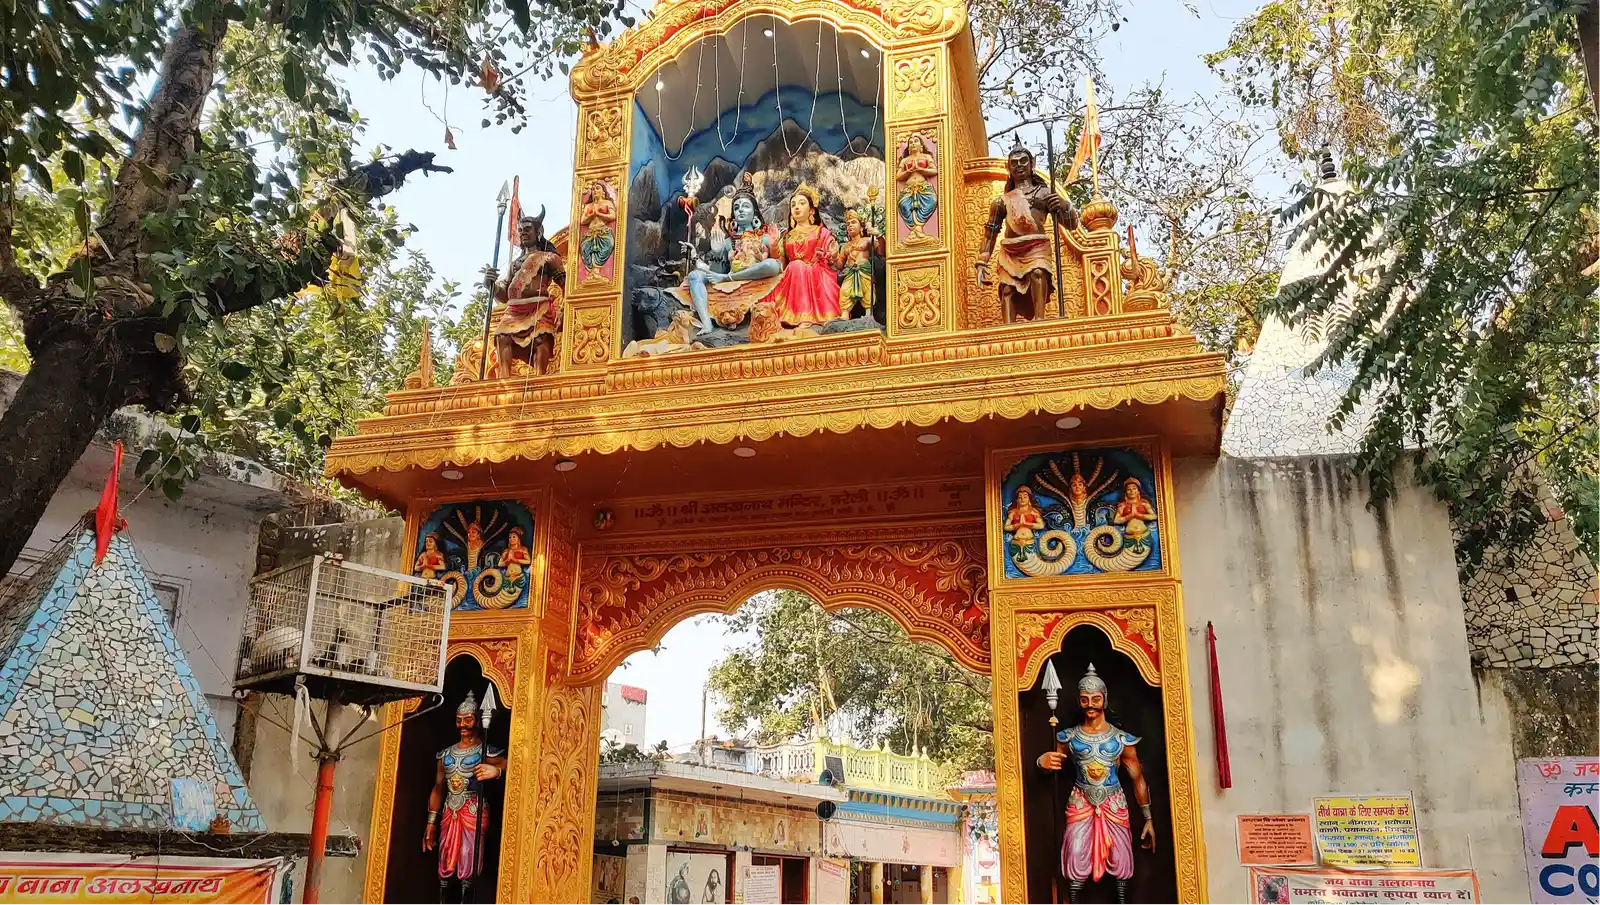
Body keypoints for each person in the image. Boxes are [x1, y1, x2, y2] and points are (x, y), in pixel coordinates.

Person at [1036, 664, 1154, 905]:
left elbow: (1138, 779)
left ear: (1104, 699)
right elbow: (1051, 763)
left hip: (1113, 802)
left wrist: (1148, 818)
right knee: (1075, 853)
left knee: (1121, 858)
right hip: (1081, 801)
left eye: (1096, 699)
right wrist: (1042, 762)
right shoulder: (1069, 737)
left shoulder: (1120, 739)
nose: (1090, 704)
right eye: (1084, 699)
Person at [975, 138, 1080, 322]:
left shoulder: (1045, 193)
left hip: (1037, 246)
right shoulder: (1001, 201)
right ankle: (1009, 328)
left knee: (1038, 274)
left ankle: (1039, 320)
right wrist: (982, 262)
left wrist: (1065, 206)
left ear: (1032, 164)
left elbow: (1071, 225)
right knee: (1007, 289)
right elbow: (990, 234)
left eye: (1023, 161)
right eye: (1014, 163)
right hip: (1010, 250)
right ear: (1009, 168)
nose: (1019, 166)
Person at [425, 692, 507, 905]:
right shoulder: (445, 755)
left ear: (478, 721)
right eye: (459, 720)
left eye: (468, 719)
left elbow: (510, 765)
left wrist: (494, 771)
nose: (463, 725)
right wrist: (431, 822)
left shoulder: (485, 751)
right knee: (445, 858)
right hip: (450, 809)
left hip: (472, 809)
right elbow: (437, 788)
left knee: (468, 856)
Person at [682, 175, 782, 335]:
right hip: (728, 275)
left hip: (747, 276)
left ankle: (731, 279)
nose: (740, 210)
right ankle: (707, 324)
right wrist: (716, 252)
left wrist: (774, 245)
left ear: (754, 212)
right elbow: (717, 271)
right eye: (737, 207)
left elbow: (777, 266)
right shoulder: (729, 242)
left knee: (772, 265)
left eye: (745, 206)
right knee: (694, 276)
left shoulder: (763, 237)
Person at [483, 210, 564, 377]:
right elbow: (506, 295)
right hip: (515, 310)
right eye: (520, 230)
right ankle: (503, 380)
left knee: (541, 338)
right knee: (502, 335)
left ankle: (539, 377)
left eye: (527, 229)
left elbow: (565, 284)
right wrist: (491, 284)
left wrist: (564, 307)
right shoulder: (514, 264)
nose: (523, 233)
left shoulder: (548, 258)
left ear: (538, 232)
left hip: (539, 307)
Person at [765, 183, 842, 327]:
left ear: (812, 211)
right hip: (792, 278)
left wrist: (832, 255)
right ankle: (799, 315)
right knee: (795, 265)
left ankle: (807, 317)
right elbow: (781, 265)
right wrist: (774, 245)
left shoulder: (821, 232)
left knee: (798, 265)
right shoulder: (786, 236)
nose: (796, 207)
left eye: (802, 203)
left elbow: (837, 263)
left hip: (818, 275)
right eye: (793, 205)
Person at [833, 208, 882, 319]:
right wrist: (834, 257)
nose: (850, 225)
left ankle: (869, 315)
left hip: (864, 270)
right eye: (848, 224)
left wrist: (877, 235)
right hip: (850, 272)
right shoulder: (845, 246)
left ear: (861, 227)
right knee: (845, 291)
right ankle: (844, 316)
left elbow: (881, 251)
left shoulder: (867, 240)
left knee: (867, 291)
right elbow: (840, 265)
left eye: (854, 222)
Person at [896, 132, 938, 239]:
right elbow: (898, 176)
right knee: (904, 206)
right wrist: (908, 172)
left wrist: (921, 170)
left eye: (916, 141)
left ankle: (917, 229)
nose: (913, 144)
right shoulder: (905, 160)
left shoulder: (926, 156)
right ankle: (916, 230)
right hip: (908, 188)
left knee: (931, 200)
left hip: (922, 186)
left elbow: (934, 170)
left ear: (921, 145)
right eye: (910, 142)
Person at [580, 180, 618, 272]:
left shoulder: (607, 203)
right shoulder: (588, 206)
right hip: (590, 234)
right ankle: (593, 273)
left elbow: (613, 216)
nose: (595, 191)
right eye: (593, 189)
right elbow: (582, 221)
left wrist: (600, 215)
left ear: (603, 192)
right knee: (585, 249)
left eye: (597, 188)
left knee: (609, 244)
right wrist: (592, 215)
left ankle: (597, 272)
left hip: (603, 232)